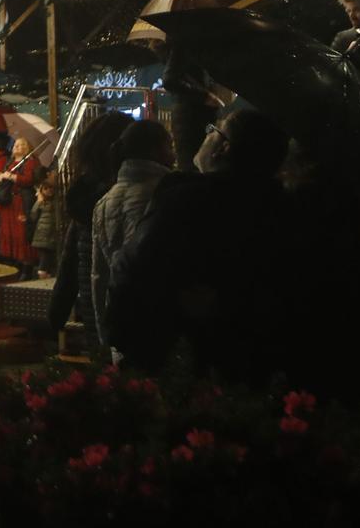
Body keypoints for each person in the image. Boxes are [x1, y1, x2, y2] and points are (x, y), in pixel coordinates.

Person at [105, 110, 292, 383]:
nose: (207, 136)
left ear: (224, 148)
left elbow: (133, 271)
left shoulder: (185, 201)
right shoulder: (284, 208)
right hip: (257, 364)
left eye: (213, 131)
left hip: (181, 362)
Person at [45, 109, 130, 350]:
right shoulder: (120, 197)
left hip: (93, 311)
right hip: (126, 312)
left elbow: (69, 262)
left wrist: (57, 312)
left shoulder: (84, 198)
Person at [88, 119, 173, 356]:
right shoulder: (164, 192)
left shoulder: (105, 202)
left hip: (120, 322)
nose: (173, 154)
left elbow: (99, 276)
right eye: (170, 146)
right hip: (160, 321)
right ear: (156, 150)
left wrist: (105, 334)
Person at [0, 134, 37, 269]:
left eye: (21, 145)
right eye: (16, 145)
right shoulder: (9, 162)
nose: (18, 147)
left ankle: (25, 264)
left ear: (27, 147)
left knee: (21, 233)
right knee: (9, 232)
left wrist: (12, 177)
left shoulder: (30, 162)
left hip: (20, 201)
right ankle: (13, 261)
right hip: (8, 202)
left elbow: (28, 180)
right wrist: (2, 177)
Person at [29, 173, 63, 276]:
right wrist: (38, 201)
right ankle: (42, 274)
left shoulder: (56, 202)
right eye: (46, 188)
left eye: (51, 188)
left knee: (49, 258)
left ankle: (45, 274)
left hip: (51, 234)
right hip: (43, 234)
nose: (49, 191)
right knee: (44, 258)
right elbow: (33, 215)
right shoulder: (41, 202)